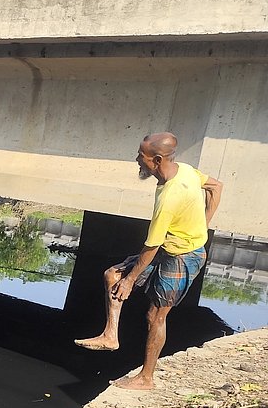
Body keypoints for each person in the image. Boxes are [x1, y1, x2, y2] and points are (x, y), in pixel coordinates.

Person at [75, 132, 222, 390]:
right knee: (112, 275)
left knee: (155, 315)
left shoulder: (169, 197)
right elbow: (216, 187)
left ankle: (146, 378)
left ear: (157, 160)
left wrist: (131, 280)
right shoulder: (186, 171)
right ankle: (110, 335)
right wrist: (203, 224)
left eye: (140, 156)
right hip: (169, 247)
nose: (137, 160)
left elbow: (151, 246)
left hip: (184, 257)